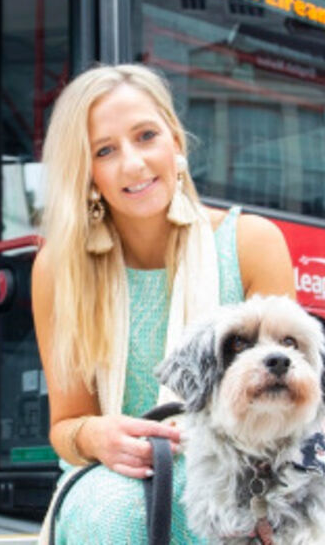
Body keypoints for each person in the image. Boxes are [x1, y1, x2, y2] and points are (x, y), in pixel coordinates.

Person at [31, 64, 296, 543]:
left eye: (146, 136)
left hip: (241, 468)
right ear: (86, 171)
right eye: (105, 150)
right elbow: (66, 427)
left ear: (175, 141)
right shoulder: (57, 268)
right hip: (113, 474)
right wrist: (95, 436)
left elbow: (289, 400)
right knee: (115, 515)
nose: (133, 164)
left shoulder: (252, 243)